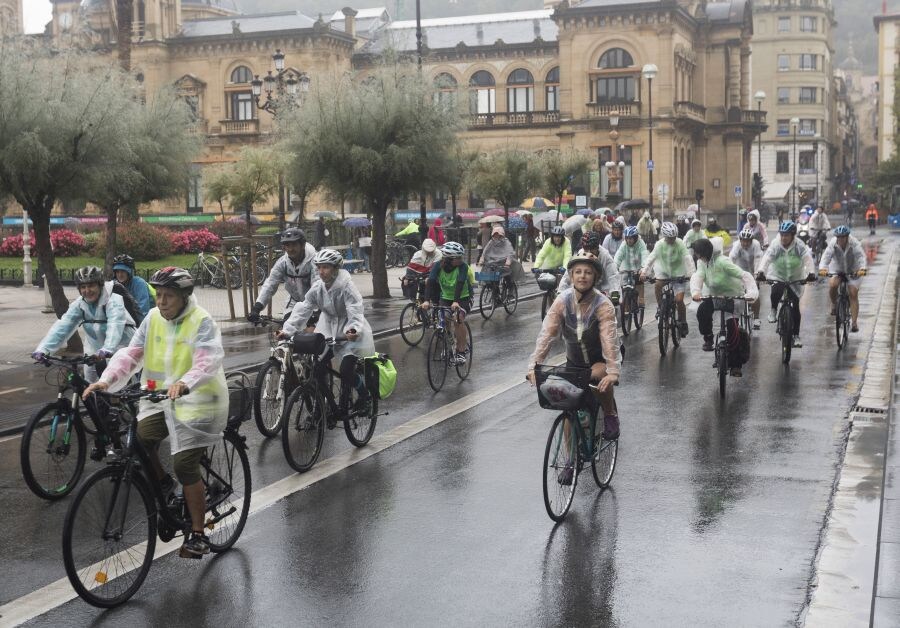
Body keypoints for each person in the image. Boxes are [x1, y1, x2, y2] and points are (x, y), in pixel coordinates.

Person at [83, 267, 228, 557]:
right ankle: (164, 484)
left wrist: (185, 383)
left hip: (199, 401)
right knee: (138, 441)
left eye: (169, 296)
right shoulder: (152, 318)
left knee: (185, 465)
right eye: (158, 295)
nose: (161, 302)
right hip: (160, 399)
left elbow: (207, 360)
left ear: (185, 297)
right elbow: (131, 353)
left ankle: (197, 533)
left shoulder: (202, 321)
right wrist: (106, 380)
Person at [526, 252, 622, 460]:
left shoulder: (603, 304)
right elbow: (547, 335)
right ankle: (570, 461)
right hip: (575, 361)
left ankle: (609, 414)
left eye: (588, 272)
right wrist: (534, 366)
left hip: (601, 359)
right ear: (570, 275)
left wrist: (612, 371)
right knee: (568, 409)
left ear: (595, 277)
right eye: (577, 272)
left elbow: (609, 341)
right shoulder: (562, 301)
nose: (582, 276)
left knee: (598, 380)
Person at [281, 249, 376, 413]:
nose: (321, 271)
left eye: (326, 267)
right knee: (316, 369)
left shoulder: (346, 287)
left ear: (336, 268)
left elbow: (355, 310)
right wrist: (287, 330)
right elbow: (304, 308)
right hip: (328, 329)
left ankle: (364, 395)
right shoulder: (318, 287)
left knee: (346, 370)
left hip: (350, 332)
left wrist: (353, 330)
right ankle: (328, 406)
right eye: (319, 267)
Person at [32, 266, 136, 382]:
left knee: (117, 384)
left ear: (100, 285)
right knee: (88, 384)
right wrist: (43, 349)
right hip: (94, 349)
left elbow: (115, 324)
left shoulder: (113, 300)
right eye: (83, 287)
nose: (87, 291)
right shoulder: (80, 304)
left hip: (120, 347)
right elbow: (63, 326)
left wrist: (108, 348)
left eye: (91, 286)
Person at [690, 238, 758, 377]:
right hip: (714, 296)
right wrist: (696, 291)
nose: (697, 256)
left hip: (732, 297)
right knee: (702, 311)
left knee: (733, 329)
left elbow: (744, 275)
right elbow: (698, 276)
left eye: (699, 254)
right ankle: (708, 338)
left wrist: (751, 293)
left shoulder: (723, 262)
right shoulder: (702, 262)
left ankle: (736, 365)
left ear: (706, 253)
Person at [756, 221, 816, 348]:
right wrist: (761, 271)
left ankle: (796, 335)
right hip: (778, 274)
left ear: (793, 235)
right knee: (776, 290)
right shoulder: (776, 244)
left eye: (787, 235)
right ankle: (773, 310)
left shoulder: (799, 245)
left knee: (795, 306)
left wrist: (811, 273)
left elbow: (807, 259)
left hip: (795, 277)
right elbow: (767, 258)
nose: (784, 238)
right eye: (782, 235)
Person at [248, 227, 317, 323]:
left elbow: (317, 287)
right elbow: (270, 284)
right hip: (294, 302)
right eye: (287, 245)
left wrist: (314, 312)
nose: (290, 249)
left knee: (313, 333)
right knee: (286, 328)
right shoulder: (283, 263)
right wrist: (257, 308)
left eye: (294, 245)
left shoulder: (315, 261)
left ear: (302, 245)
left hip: (315, 304)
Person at [639, 222, 696, 337]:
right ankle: (660, 307)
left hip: (679, 274)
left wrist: (692, 274)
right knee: (658, 284)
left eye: (674, 237)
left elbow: (688, 258)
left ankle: (683, 322)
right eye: (670, 238)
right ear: (664, 236)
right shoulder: (659, 244)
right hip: (663, 272)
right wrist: (644, 271)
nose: (672, 240)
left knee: (679, 300)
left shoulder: (680, 244)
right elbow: (651, 258)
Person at [422, 242, 472, 365]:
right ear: (449, 259)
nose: (461, 260)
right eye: (458, 258)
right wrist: (426, 300)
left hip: (463, 297)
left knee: (458, 318)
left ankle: (461, 351)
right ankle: (449, 346)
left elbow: (460, 284)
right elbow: (431, 283)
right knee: (443, 319)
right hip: (445, 297)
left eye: (461, 257)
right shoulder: (437, 266)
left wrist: (456, 301)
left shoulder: (463, 267)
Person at [819, 225, 867, 332]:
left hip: (853, 269)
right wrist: (823, 268)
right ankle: (834, 304)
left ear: (847, 237)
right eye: (838, 237)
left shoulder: (854, 243)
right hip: (837, 268)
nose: (840, 239)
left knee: (853, 293)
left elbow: (861, 257)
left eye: (843, 237)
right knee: (833, 285)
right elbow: (826, 256)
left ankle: (854, 323)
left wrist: (863, 269)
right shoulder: (833, 243)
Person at [558, 231, 620, 302]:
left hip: (602, 290)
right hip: (584, 289)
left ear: (597, 247)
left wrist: (614, 292)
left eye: (592, 249)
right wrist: (561, 290)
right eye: (586, 249)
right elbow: (568, 274)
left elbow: (612, 275)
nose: (589, 252)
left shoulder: (605, 256)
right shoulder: (580, 254)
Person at [729, 228, 765, 329]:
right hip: (740, 270)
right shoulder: (737, 245)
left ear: (751, 240)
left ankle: (757, 318)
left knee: (755, 295)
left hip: (753, 270)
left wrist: (757, 274)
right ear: (740, 240)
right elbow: (731, 259)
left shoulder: (756, 244)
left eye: (747, 241)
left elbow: (758, 259)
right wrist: (729, 273)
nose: (745, 243)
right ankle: (736, 316)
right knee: (737, 295)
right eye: (743, 241)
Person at [614, 226, 649, 311]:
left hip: (638, 267)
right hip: (625, 267)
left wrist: (643, 269)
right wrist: (614, 268)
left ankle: (641, 298)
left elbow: (645, 256)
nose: (629, 240)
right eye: (627, 238)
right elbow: (618, 257)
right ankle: (625, 307)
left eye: (631, 238)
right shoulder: (623, 245)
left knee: (639, 280)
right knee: (623, 285)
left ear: (636, 237)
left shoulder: (641, 243)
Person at [478, 225, 516, 291]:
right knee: (488, 273)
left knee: (506, 274)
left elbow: (510, 253)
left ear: (502, 235)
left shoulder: (506, 242)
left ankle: (510, 289)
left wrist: (508, 263)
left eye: (498, 235)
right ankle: (494, 290)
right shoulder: (491, 242)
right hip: (494, 262)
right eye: (495, 235)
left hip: (504, 262)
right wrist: (481, 261)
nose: (496, 237)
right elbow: (485, 252)